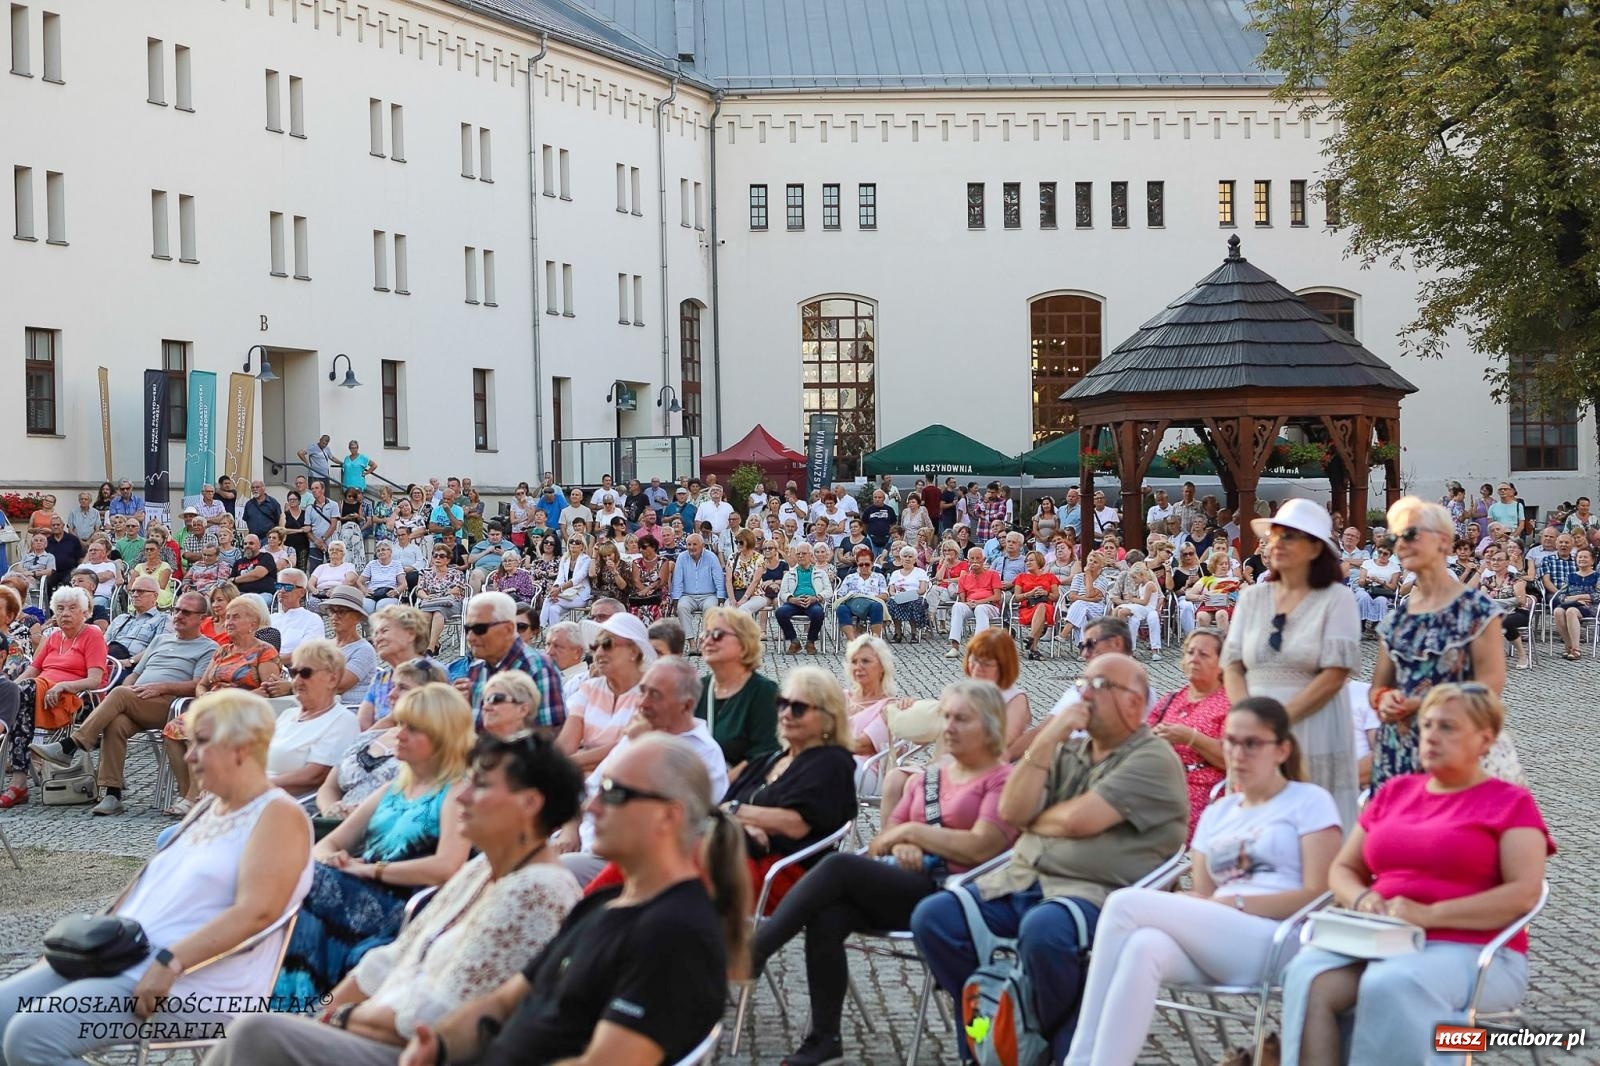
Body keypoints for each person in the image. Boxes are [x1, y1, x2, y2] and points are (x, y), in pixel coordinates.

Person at [208, 732, 585, 1066]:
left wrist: (338, 1018)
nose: (463, 796)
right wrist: (321, 1013)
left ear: (530, 803)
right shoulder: (483, 868)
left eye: (482, 786)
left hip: (418, 1052)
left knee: (257, 1033)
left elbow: (439, 1020)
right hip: (377, 1026)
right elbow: (391, 959)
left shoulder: (539, 891)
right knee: (263, 1028)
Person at [0, 690, 314, 1062]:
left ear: (241, 748)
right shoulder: (209, 809)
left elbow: (257, 912)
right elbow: (147, 886)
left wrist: (171, 961)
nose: (190, 756)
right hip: (120, 956)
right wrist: (80, 945)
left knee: (31, 1037)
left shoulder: (278, 814)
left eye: (201, 743)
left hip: (195, 984)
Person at [393, 734, 744, 1066]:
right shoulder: (602, 904)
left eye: (613, 793)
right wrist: (438, 1044)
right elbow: (502, 1003)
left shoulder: (674, 934)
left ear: (669, 815)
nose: (592, 806)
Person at [910, 654, 1189, 1064]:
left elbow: (1078, 820)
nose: (1085, 694)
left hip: (1099, 897)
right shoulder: (1068, 751)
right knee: (934, 918)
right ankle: (992, 1026)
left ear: (1134, 702)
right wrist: (1049, 736)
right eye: (1083, 684)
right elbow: (1011, 810)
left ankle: (1027, 1039)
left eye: (1100, 685)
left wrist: (1036, 820)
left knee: (1045, 932)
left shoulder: (1152, 758)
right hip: (1022, 881)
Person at [1279, 685, 1555, 1066]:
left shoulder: (1510, 803)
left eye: (1447, 727)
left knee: (1390, 983)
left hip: (1475, 950)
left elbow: (1523, 893)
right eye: (1426, 725)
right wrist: (1363, 899)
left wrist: (1430, 915)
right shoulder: (1394, 791)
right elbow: (1343, 869)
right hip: (1382, 939)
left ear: (1485, 739)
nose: (1432, 736)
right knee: (1308, 976)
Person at [1065, 696, 1344, 1066]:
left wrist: (1237, 903)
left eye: (1252, 743)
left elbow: (1320, 893)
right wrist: (1213, 904)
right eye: (1230, 742)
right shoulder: (1219, 812)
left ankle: (1078, 1059)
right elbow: (1204, 894)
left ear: (1282, 750)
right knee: (1143, 947)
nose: (1238, 754)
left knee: (1124, 903)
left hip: (1280, 937)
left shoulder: (1309, 801)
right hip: (1220, 935)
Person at [751, 680, 1017, 1066]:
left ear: (991, 725)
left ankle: (758, 948)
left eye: (962, 719)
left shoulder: (1002, 780)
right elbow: (880, 842)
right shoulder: (928, 777)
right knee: (830, 914)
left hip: (960, 895)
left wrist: (914, 834)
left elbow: (981, 847)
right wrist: (903, 841)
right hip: (910, 885)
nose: (949, 727)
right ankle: (825, 1039)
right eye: (945, 717)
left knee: (838, 865)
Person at [272, 682, 473, 1006]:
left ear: (441, 736)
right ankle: (293, 998)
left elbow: (447, 866)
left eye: (412, 728)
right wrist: (334, 859)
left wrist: (372, 870)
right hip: (357, 885)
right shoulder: (395, 788)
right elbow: (330, 843)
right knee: (302, 872)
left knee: (309, 884)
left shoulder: (456, 792)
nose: (398, 734)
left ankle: (297, 1000)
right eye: (400, 724)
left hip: (402, 903)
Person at [1223, 497, 1362, 828]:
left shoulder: (1337, 598)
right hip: (1255, 730)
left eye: (1289, 536)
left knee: (1312, 825)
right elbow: (1232, 664)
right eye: (1274, 535)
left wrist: (1276, 723)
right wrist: (1248, 721)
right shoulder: (1252, 597)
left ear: (1315, 548)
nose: (1277, 543)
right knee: (1255, 828)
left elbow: (1334, 674)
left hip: (1313, 726)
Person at [30, 590, 214, 814]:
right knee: (115, 723)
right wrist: (130, 690)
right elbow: (134, 675)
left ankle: (70, 746)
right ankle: (112, 793)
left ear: (203, 618)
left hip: (171, 706)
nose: (178, 615)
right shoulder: (160, 640)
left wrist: (161, 687)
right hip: (139, 699)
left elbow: (198, 684)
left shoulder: (208, 647)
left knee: (119, 694)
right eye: (176, 610)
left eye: (186, 612)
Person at [1370, 497, 1509, 790]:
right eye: (1395, 538)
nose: (1400, 544)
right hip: (1398, 750)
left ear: (1443, 541)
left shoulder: (1477, 609)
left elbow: (1489, 686)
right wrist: (1384, 700)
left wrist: (1421, 704)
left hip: (1455, 745)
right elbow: (1379, 686)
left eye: (1410, 534)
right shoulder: (1397, 619)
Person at [721, 666, 857, 910]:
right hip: (741, 856)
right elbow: (719, 805)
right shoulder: (770, 759)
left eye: (798, 708)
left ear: (828, 718)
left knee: (679, 876)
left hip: (785, 873)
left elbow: (795, 824)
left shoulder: (832, 762)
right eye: (782, 704)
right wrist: (749, 827)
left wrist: (735, 810)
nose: (786, 714)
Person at [0, 585, 108, 808]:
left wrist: (63, 686)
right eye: (60, 608)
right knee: (17, 696)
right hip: (38, 693)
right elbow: (33, 670)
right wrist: (10, 689)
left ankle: (18, 782)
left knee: (20, 698)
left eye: (72, 608)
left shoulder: (92, 634)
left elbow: (95, 680)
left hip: (73, 698)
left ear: (85, 612)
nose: (65, 613)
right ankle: (19, 782)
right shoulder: (53, 636)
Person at [321, 658, 452, 822]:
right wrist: (330, 809)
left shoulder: (434, 746)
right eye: (393, 686)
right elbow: (329, 786)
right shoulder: (371, 736)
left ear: (428, 696)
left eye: (403, 688)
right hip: (334, 823)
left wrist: (354, 819)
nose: (391, 694)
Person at [1146, 629, 1230, 839]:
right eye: (1190, 652)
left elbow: (1230, 759)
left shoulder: (1230, 704)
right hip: (1158, 785)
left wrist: (1190, 737)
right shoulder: (1171, 699)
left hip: (1202, 792)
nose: (1194, 659)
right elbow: (1142, 740)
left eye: (1204, 654)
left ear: (1222, 664)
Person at [555, 613, 654, 772]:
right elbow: (566, 743)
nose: (599, 653)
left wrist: (568, 763)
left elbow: (627, 749)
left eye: (608, 644)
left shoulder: (651, 694)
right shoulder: (589, 688)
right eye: (595, 646)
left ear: (634, 652)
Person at [693, 606, 780, 775]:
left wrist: (721, 783)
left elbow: (764, 754)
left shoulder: (763, 691)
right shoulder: (698, 688)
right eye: (705, 635)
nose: (708, 641)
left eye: (717, 635)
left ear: (744, 642)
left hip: (741, 786)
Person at [960, 627, 1031, 761]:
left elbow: (1005, 740)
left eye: (986, 664)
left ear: (1003, 667)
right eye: (974, 660)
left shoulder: (1015, 699)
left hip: (1001, 765)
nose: (977, 668)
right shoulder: (964, 692)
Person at [1479, 546, 1532, 669]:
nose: (1495, 562)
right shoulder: (1487, 580)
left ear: (1507, 562)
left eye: (1499, 560)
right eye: (1493, 560)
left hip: (1518, 612)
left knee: (1503, 620)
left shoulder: (1515, 579)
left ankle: (1522, 655)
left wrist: (1497, 603)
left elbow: (1520, 600)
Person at [669, 533, 726, 648]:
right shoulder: (682, 557)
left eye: (695, 544)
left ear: (702, 545)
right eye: (689, 544)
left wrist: (721, 597)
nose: (691, 547)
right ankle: (691, 643)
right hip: (688, 595)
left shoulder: (711, 557)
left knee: (710, 608)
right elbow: (677, 580)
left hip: (709, 595)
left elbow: (719, 578)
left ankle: (703, 641)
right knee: (682, 607)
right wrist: (675, 600)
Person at [776, 541, 832, 654]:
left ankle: (810, 642)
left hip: (813, 601)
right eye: (798, 554)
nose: (800, 556)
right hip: (794, 602)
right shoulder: (789, 574)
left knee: (818, 613)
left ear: (811, 555)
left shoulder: (821, 573)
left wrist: (816, 598)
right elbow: (783, 593)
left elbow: (829, 591)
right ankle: (794, 641)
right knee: (780, 612)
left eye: (804, 553)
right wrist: (792, 599)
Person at [945, 546, 1001, 658]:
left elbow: (997, 597)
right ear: (968, 561)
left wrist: (980, 602)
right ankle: (954, 646)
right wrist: (968, 604)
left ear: (983, 560)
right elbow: (962, 600)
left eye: (978, 558)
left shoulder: (993, 574)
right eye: (972, 558)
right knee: (957, 606)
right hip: (971, 605)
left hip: (989, 606)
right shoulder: (964, 578)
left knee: (980, 609)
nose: (975, 561)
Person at [1551, 545, 1598, 660]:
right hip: (1572, 604)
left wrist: (1578, 597)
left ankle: (1576, 649)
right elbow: (1562, 594)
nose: (1582, 559)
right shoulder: (1570, 576)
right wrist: (1570, 599)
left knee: (1571, 611)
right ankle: (1569, 646)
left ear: (1592, 560)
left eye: (1585, 557)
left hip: (1591, 606)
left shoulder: (1597, 576)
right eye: (1579, 557)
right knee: (1558, 611)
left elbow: (1598, 595)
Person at [835, 545, 889, 641]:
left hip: (871, 603)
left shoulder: (879, 577)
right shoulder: (850, 577)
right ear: (857, 564)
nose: (864, 567)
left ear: (872, 563)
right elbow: (840, 595)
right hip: (853, 604)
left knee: (877, 606)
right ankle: (852, 640)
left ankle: (875, 639)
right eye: (861, 564)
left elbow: (885, 595)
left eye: (867, 564)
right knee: (841, 609)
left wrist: (871, 598)